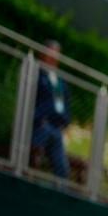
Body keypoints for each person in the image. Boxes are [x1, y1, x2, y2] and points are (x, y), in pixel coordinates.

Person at [32, 40, 71, 179]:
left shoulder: (59, 81)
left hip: (56, 129)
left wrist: (64, 122)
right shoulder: (36, 73)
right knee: (33, 157)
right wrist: (40, 119)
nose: (54, 57)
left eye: (57, 54)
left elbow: (63, 106)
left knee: (62, 169)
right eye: (51, 53)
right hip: (40, 126)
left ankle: (61, 187)